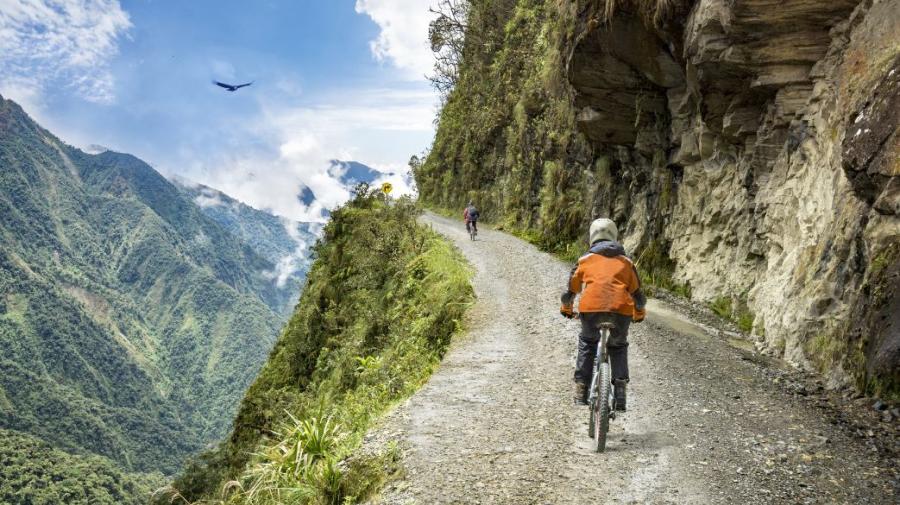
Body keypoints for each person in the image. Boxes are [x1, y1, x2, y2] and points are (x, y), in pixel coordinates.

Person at [560, 218, 646, 411]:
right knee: (618, 345)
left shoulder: (584, 260)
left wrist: (567, 308)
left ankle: (581, 389)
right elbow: (638, 295)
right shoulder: (626, 262)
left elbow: (571, 290)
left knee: (587, 343)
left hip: (591, 310)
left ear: (592, 237)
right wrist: (639, 312)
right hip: (621, 311)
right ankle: (621, 391)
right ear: (614, 236)